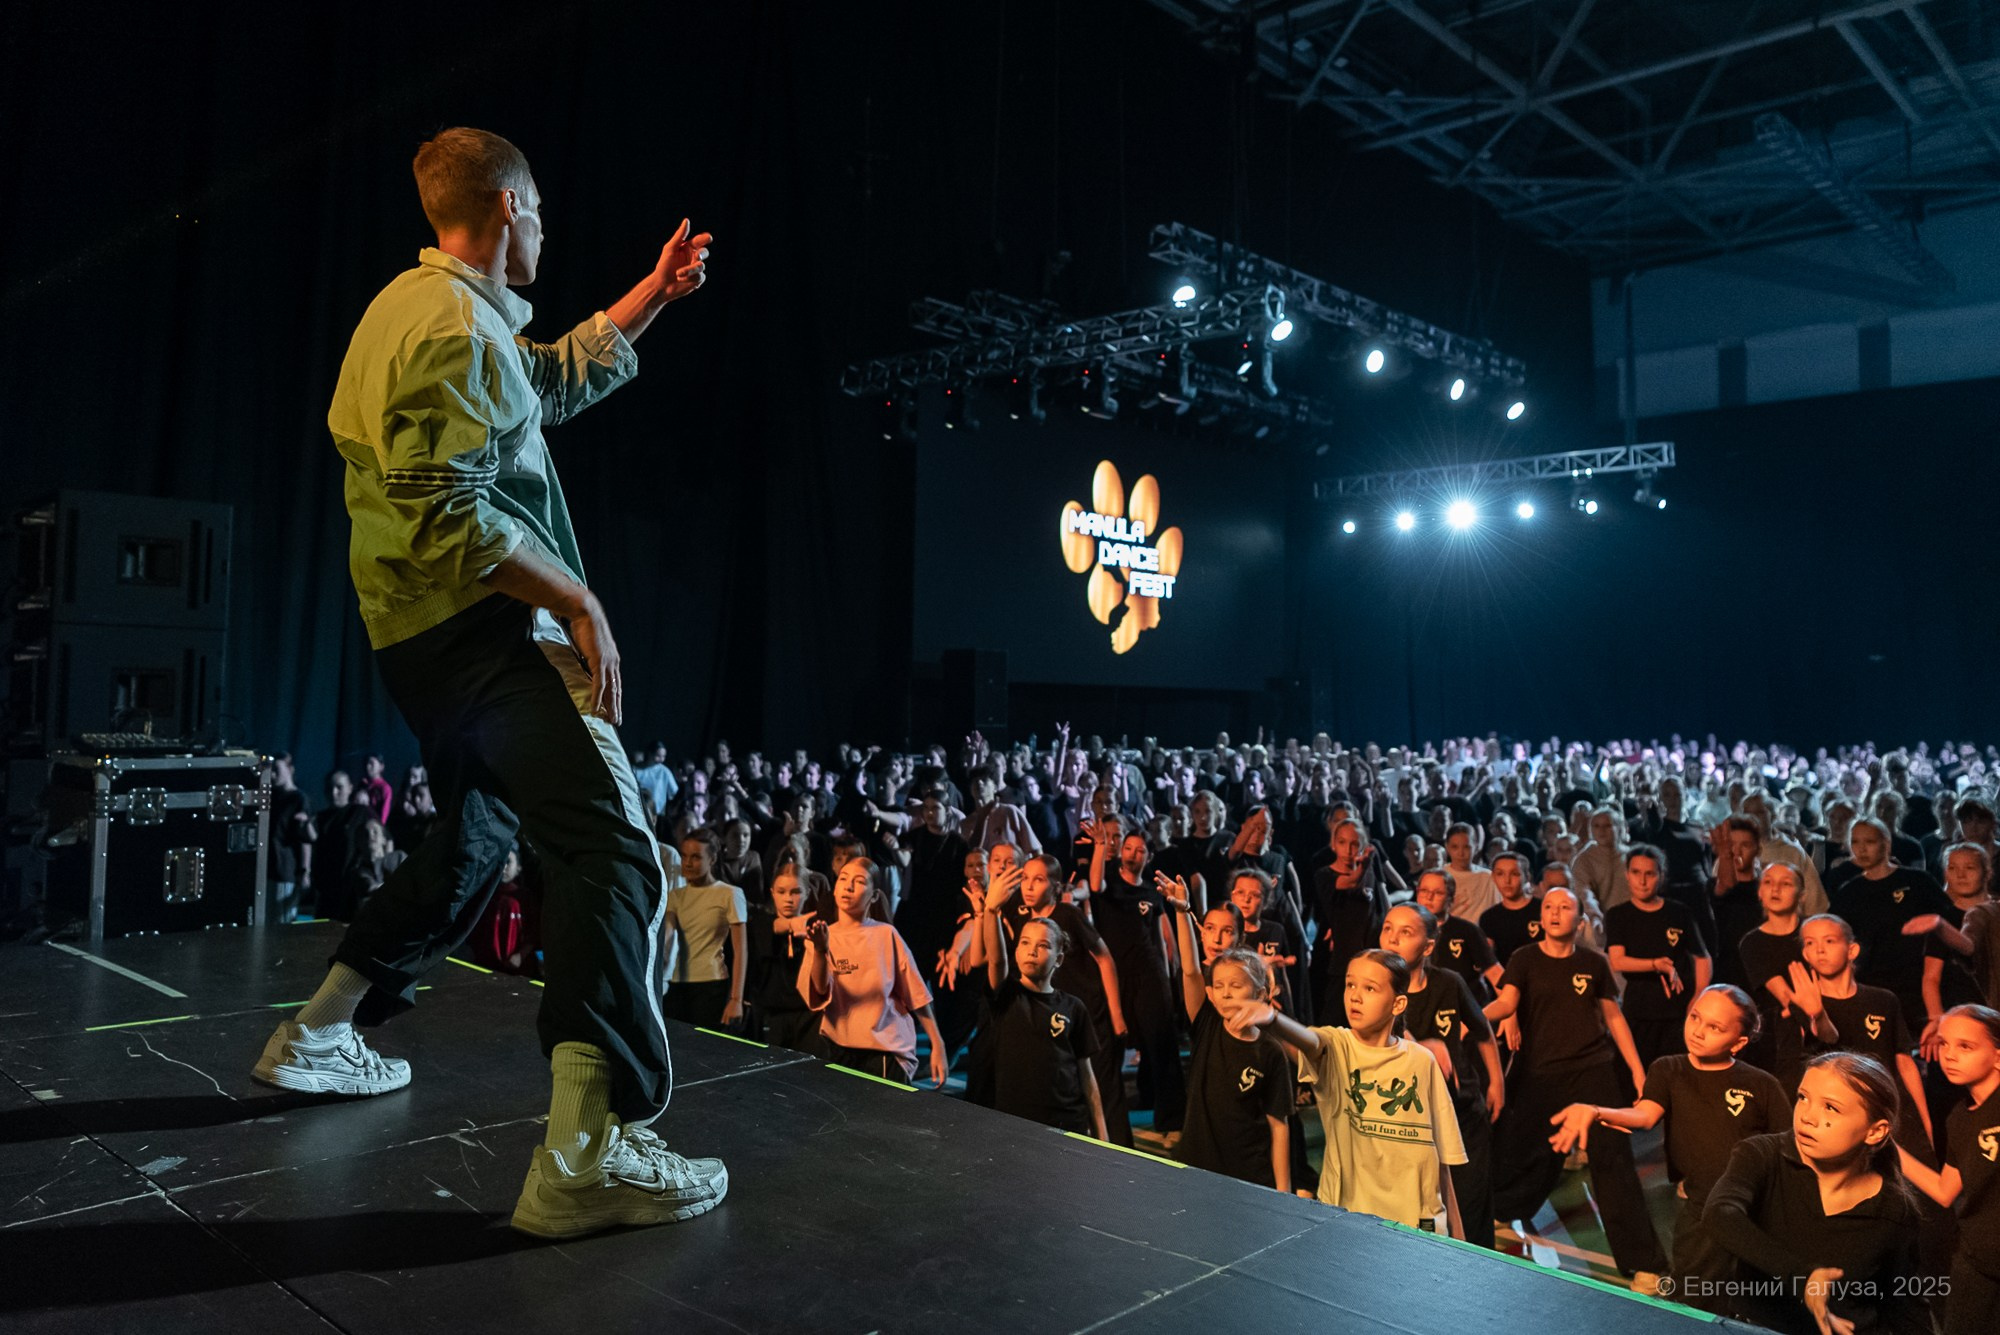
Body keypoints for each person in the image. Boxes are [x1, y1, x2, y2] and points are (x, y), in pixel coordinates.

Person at [251, 126, 725, 1242]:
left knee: (475, 834)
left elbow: (539, 387)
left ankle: (319, 1032)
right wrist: (577, 598)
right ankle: (588, 1153)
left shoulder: (423, 314)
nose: (549, 229)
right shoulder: (449, 326)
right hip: (482, 634)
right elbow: (444, 508)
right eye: (544, 210)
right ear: (509, 205)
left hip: (424, 640)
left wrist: (652, 295)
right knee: (614, 850)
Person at [1548, 985, 1788, 1307]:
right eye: (1695, 1018)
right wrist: (1596, 1110)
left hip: (1750, 1209)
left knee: (1752, 1296)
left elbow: (1786, 1146)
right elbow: (1645, 1114)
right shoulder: (1668, 1069)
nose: (1698, 1032)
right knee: (1693, 1295)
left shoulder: (1761, 1085)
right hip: (1701, 1209)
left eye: (1714, 1027)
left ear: (1739, 1042)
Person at [1487, 887, 1669, 1286]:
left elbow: (1614, 1018)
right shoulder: (1524, 959)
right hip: (1540, 1073)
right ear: (1540, 917)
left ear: (1580, 920)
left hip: (1593, 1071)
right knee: (1524, 1149)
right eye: (1548, 906)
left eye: (1565, 907)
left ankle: (1643, 1262)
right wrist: (1473, 1015)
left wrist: (1637, 1070)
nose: (1555, 913)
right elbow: (1506, 1003)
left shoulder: (1593, 962)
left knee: (1614, 1160)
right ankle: (1505, 1209)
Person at [1226, 950, 1466, 1235]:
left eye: (1370, 988)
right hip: (1349, 1221)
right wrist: (1273, 1020)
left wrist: (1459, 1237)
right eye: (1350, 984)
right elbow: (1311, 1042)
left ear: (1398, 1003)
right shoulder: (1337, 1045)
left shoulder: (1422, 1061)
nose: (1355, 995)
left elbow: (1440, 1160)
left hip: (1416, 1226)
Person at [1705, 1052, 1930, 1334]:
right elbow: (1720, 1214)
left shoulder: (1894, 1210)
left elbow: (1905, 1302)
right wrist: (1803, 1276)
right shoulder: (1762, 1155)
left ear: (1875, 1132)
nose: (1807, 1116)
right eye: (1802, 1097)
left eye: (1830, 1108)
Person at [974, 853, 1134, 1144]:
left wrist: (1103, 1139)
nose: (1032, 950)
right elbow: (994, 961)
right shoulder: (1008, 995)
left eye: (1043, 946)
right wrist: (990, 911)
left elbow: (1088, 1082)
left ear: (1059, 958)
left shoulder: (1074, 1006)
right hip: (1017, 1126)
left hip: (1067, 1123)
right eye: (1025, 943)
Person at [1381, 902, 1503, 1247]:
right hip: (1409, 1121)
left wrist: (1497, 1082)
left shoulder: (1449, 982)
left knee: (1472, 1204)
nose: (1392, 939)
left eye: (1405, 933)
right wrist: (1422, 1047)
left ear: (1429, 946)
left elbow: (1482, 1031)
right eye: (1387, 928)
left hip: (1462, 1110)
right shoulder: (1376, 991)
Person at [1160, 875, 1293, 1192]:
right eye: (1218, 987)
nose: (1226, 994)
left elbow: (1279, 1127)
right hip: (1198, 1164)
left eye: (1236, 986)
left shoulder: (1270, 1052)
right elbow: (1191, 969)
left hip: (1249, 1173)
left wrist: (1285, 1192)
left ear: (1260, 993)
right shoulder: (1206, 1022)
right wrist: (1182, 912)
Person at [1896, 1004, 2000, 1335]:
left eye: (1965, 1046)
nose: (1949, 1055)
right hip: (1977, 1263)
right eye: (1943, 1044)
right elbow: (1945, 1191)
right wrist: (1890, 1149)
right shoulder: (1958, 1118)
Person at [801, 857, 949, 1087]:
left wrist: (937, 1043)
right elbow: (819, 991)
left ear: (874, 894)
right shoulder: (821, 937)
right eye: (843, 879)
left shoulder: (885, 935)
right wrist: (821, 951)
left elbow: (916, 994)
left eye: (859, 881)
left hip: (883, 1051)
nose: (848, 886)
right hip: (838, 1048)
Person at [1797, 914, 1934, 1151]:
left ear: (1852, 950)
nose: (1819, 950)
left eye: (1829, 941)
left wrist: (1926, 1120)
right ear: (1805, 954)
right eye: (1810, 943)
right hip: (1842, 1117)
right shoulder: (1803, 1002)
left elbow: (1903, 1061)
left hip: (1890, 1107)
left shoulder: (1883, 999)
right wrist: (1818, 1014)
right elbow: (1828, 1038)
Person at [1086, 818, 1184, 1136]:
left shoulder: (1151, 893)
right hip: (1115, 976)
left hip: (1149, 973)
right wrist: (1101, 846)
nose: (1133, 853)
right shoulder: (1109, 883)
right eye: (1128, 847)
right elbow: (1095, 885)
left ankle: (1172, 1121)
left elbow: (1157, 936)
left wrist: (1168, 977)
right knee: (1110, 1048)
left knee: (1162, 1044)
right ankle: (1106, 1123)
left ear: (1148, 857)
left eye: (1140, 850)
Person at [1604, 844, 1710, 1069]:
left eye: (1649, 874)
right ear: (1627, 875)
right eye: (1636, 873)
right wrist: (1655, 964)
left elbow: (1702, 957)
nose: (1642, 881)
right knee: (1639, 1069)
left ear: (1661, 876)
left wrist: (1699, 995)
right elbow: (1617, 960)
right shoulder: (1618, 915)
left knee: (1676, 1069)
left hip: (1677, 1011)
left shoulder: (1679, 912)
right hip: (1639, 1010)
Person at [662, 830, 748, 1031]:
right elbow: (665, 936)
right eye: (684, 856)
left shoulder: (729, 894)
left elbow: (741, 951)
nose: (688, 863)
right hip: (677, 983)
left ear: (712, 859)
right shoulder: (675, 896)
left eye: (696, 857)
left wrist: (736, 999)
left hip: (712, 985)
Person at [746, 864, 820, 1054]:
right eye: (782, 892)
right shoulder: (760, 923)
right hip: (770, 1014)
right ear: (772, 893)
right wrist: (793, 924)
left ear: (807, 893)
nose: (788, 899)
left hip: (808, 1016)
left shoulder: (816, 928)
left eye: (795, 892)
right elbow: (771, 927)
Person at [1413, 868, 1502, 1004]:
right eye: (1424, 891)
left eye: (1438, 893)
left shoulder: (1467, 931)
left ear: (1451, 899)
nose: (1429, 897)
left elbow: (1494, 973)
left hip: (1463, 1009)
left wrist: (1510, 1015)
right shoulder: (1406, 929)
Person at [266, 753, 312, 924]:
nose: (272, 775)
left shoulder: (298, 799)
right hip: (267, 870)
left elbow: (305, 839)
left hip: (284, 870)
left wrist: (304, 870)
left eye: (277, 769)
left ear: (290, 770)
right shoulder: (270, 796)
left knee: (281, 922)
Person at [1478, 850, 1542, 971]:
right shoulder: (1489, 918)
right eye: (1500, 874)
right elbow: (1488, 961)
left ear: (1527, 876)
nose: (1507, 881)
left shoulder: (1543, 910)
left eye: (1514, 874)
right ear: (1493, 877)